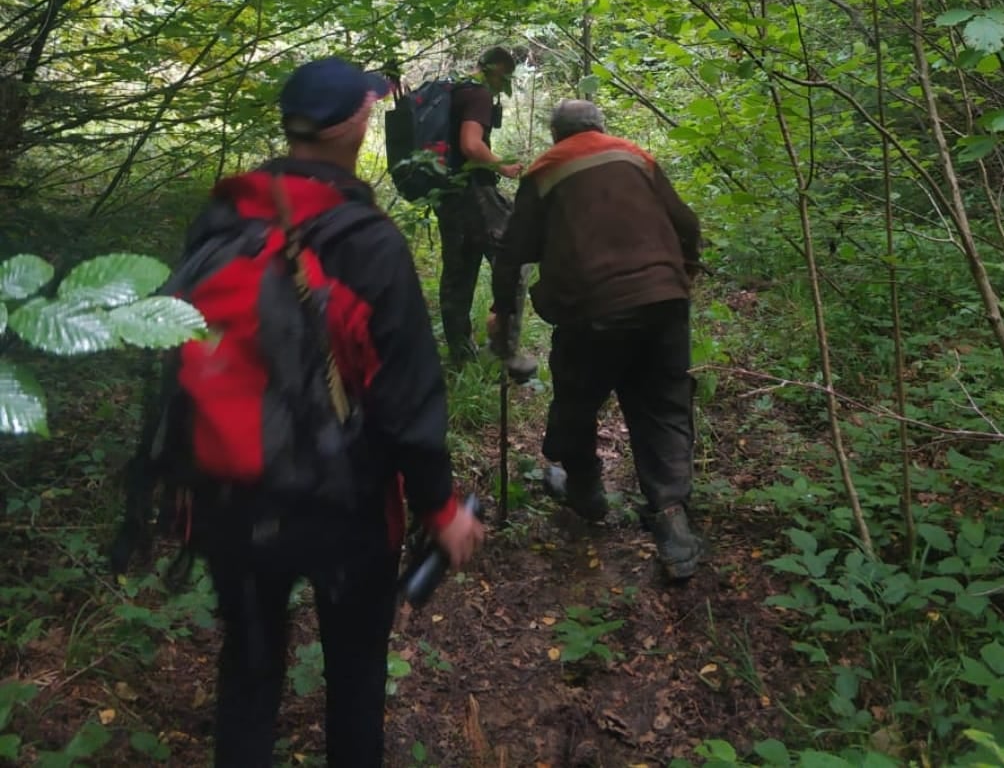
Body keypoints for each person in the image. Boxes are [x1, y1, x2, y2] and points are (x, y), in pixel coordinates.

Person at [180, 57, 483, 768]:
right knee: (354, 676)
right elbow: (405, 396)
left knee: (247, 671)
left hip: (230, 493)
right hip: (341, 505)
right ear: (356, 123)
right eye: (369, 109)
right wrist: (441, 509)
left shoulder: (221, 217)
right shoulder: (368, 242)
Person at [489, 98, 704, 581]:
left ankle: (585, 491)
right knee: (663, 405)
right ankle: (672, 521)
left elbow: (512, 254)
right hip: (665, 300)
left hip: (592, 309)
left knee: (578, 400)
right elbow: (686, 224)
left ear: (556, 134)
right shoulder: (635, 155)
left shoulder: (546, 170)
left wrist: (503, 314)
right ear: (600, 126)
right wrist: (681, 272)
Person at [434, 45, 537, 379]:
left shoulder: (455, 88)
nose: (503, 84)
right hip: (474, 192)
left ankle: (460, 355)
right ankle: (503, 347)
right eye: (504, 77)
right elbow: (470, 144)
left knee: (458, 274)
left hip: (448, 195)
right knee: (515, 256)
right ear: (496, 70)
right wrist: (504, 166)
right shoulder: (477, 94)